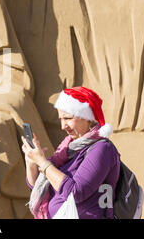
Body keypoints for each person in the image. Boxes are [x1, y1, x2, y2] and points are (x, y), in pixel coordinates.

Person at [21, 87, 120, 219]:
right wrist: (32, 162)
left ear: (88, 118)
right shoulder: (68, 149)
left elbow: (75, 193)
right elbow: (37, 187)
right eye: (61, 119)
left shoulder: (102, 148)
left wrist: (43, 163)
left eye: (68, 118)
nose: (63, 126)